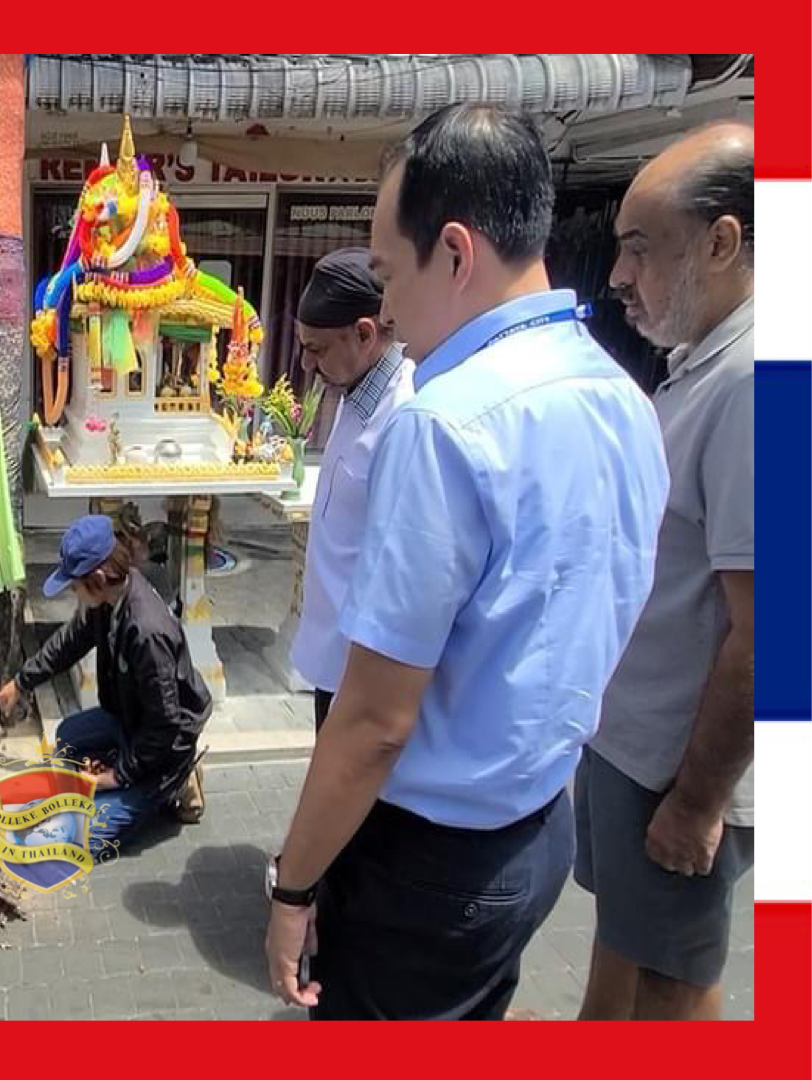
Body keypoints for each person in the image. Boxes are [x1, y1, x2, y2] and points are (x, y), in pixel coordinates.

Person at [263, 104, 670, 1020]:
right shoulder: (621, 395)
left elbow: (374, 723)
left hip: (428, 861)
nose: (389, 312)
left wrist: (292, 888)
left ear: (453, 252)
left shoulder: (442, 422)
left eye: (387, 275)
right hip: (534, 830)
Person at [576, 123, 755, 1022]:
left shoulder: (758, 380)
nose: (616, 277)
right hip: (637, 747)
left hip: (680, 771)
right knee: (627, 944)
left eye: (639, 250)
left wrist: (696, 800)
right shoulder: (702, 364)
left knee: (672, 982)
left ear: (721, 243)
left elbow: (771, 630)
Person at [0, 515, 211, 856]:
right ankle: (118, 772)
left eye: (75, 586)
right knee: (66, 737)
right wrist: (21, 683)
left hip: (163, 747)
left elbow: (165, 725)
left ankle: (175, 783)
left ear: (96, 578)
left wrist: (117, 776)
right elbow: (70, 641)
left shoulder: (148, 633)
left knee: (79, 839)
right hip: (128, 719)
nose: (73, 593)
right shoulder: (109, 599)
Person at [288, 248, 415, 730]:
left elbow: (397, 573)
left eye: (316, 348)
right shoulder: (354, 393)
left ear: (364, 334)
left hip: (361, 676)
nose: (305, 363)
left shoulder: (405, 415)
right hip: (332, 658)